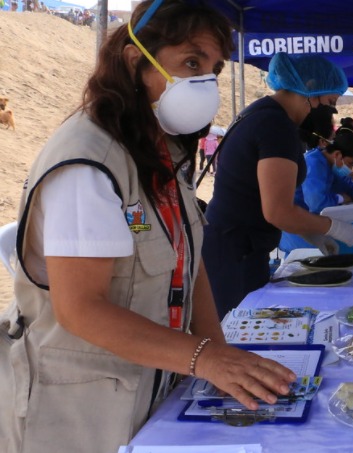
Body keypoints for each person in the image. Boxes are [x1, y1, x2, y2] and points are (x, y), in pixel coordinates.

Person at [0, 2, 299, 451]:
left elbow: (189, 262)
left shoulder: (157, 150)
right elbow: (81, 308)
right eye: (191, 62)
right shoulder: (88, 162)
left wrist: (221, 356)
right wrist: (207, 358)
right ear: (136, 60)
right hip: (77, 410)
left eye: (214, 69)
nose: (205, 81)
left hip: (149, 390)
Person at [203, 52, 353, 319]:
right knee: (237, 339)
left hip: (235, 245)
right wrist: (335, 228)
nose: (330, 114)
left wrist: (311, 232)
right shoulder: (276, 126)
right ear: (310, 91)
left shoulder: (263, 113)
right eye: (330, 103)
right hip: (235, 251)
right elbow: (278, 211)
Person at [280, 131, 353, 253]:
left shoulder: (333, 166)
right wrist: (341, 198)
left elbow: (350, 188)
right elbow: (316, 203)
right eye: (350, 163)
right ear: (338, 154)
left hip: (315, 225)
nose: (350, 169)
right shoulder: (313, 163)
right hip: (298, 230)